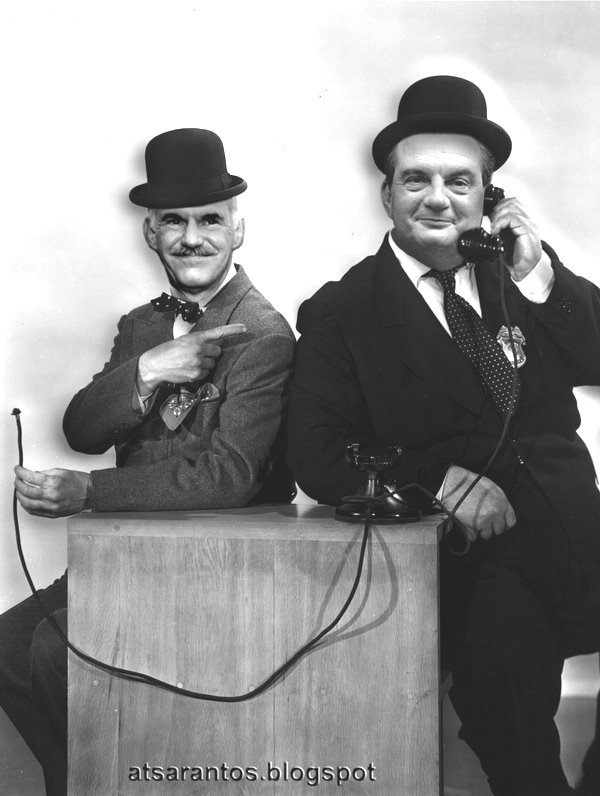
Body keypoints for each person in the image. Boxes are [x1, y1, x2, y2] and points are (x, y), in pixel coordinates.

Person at [286, 75, 600, 795]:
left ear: (489, 195)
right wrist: (435, 484)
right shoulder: (342, 312)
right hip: (481, 561)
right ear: (386, 194)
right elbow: (317, 453)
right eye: (416, 180)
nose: (438, 199)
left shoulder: (520, 274)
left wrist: (539, 271)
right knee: (508, 698)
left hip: (579, 528)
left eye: (460, 182)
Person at [1, 128, 296, 795]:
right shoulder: (141, 326)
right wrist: (149, 368)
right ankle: (80, 782)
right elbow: (81, 430)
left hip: (212, 572)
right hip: (123, 558)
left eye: (209, 220)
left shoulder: (264, 334)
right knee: (8, 647)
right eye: (174, 221)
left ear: (238, 230)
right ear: (150, 233)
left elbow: (229, 477)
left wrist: (88, 492)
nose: (192, 238)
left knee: (55, 651)